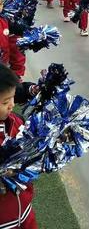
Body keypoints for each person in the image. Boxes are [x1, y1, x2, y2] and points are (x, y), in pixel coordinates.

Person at [0, 64, 39, 229]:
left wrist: (34, 90)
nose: (11, 105)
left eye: (12, 98)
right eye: (5, 102)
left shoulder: (16, 121)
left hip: (24, 206)